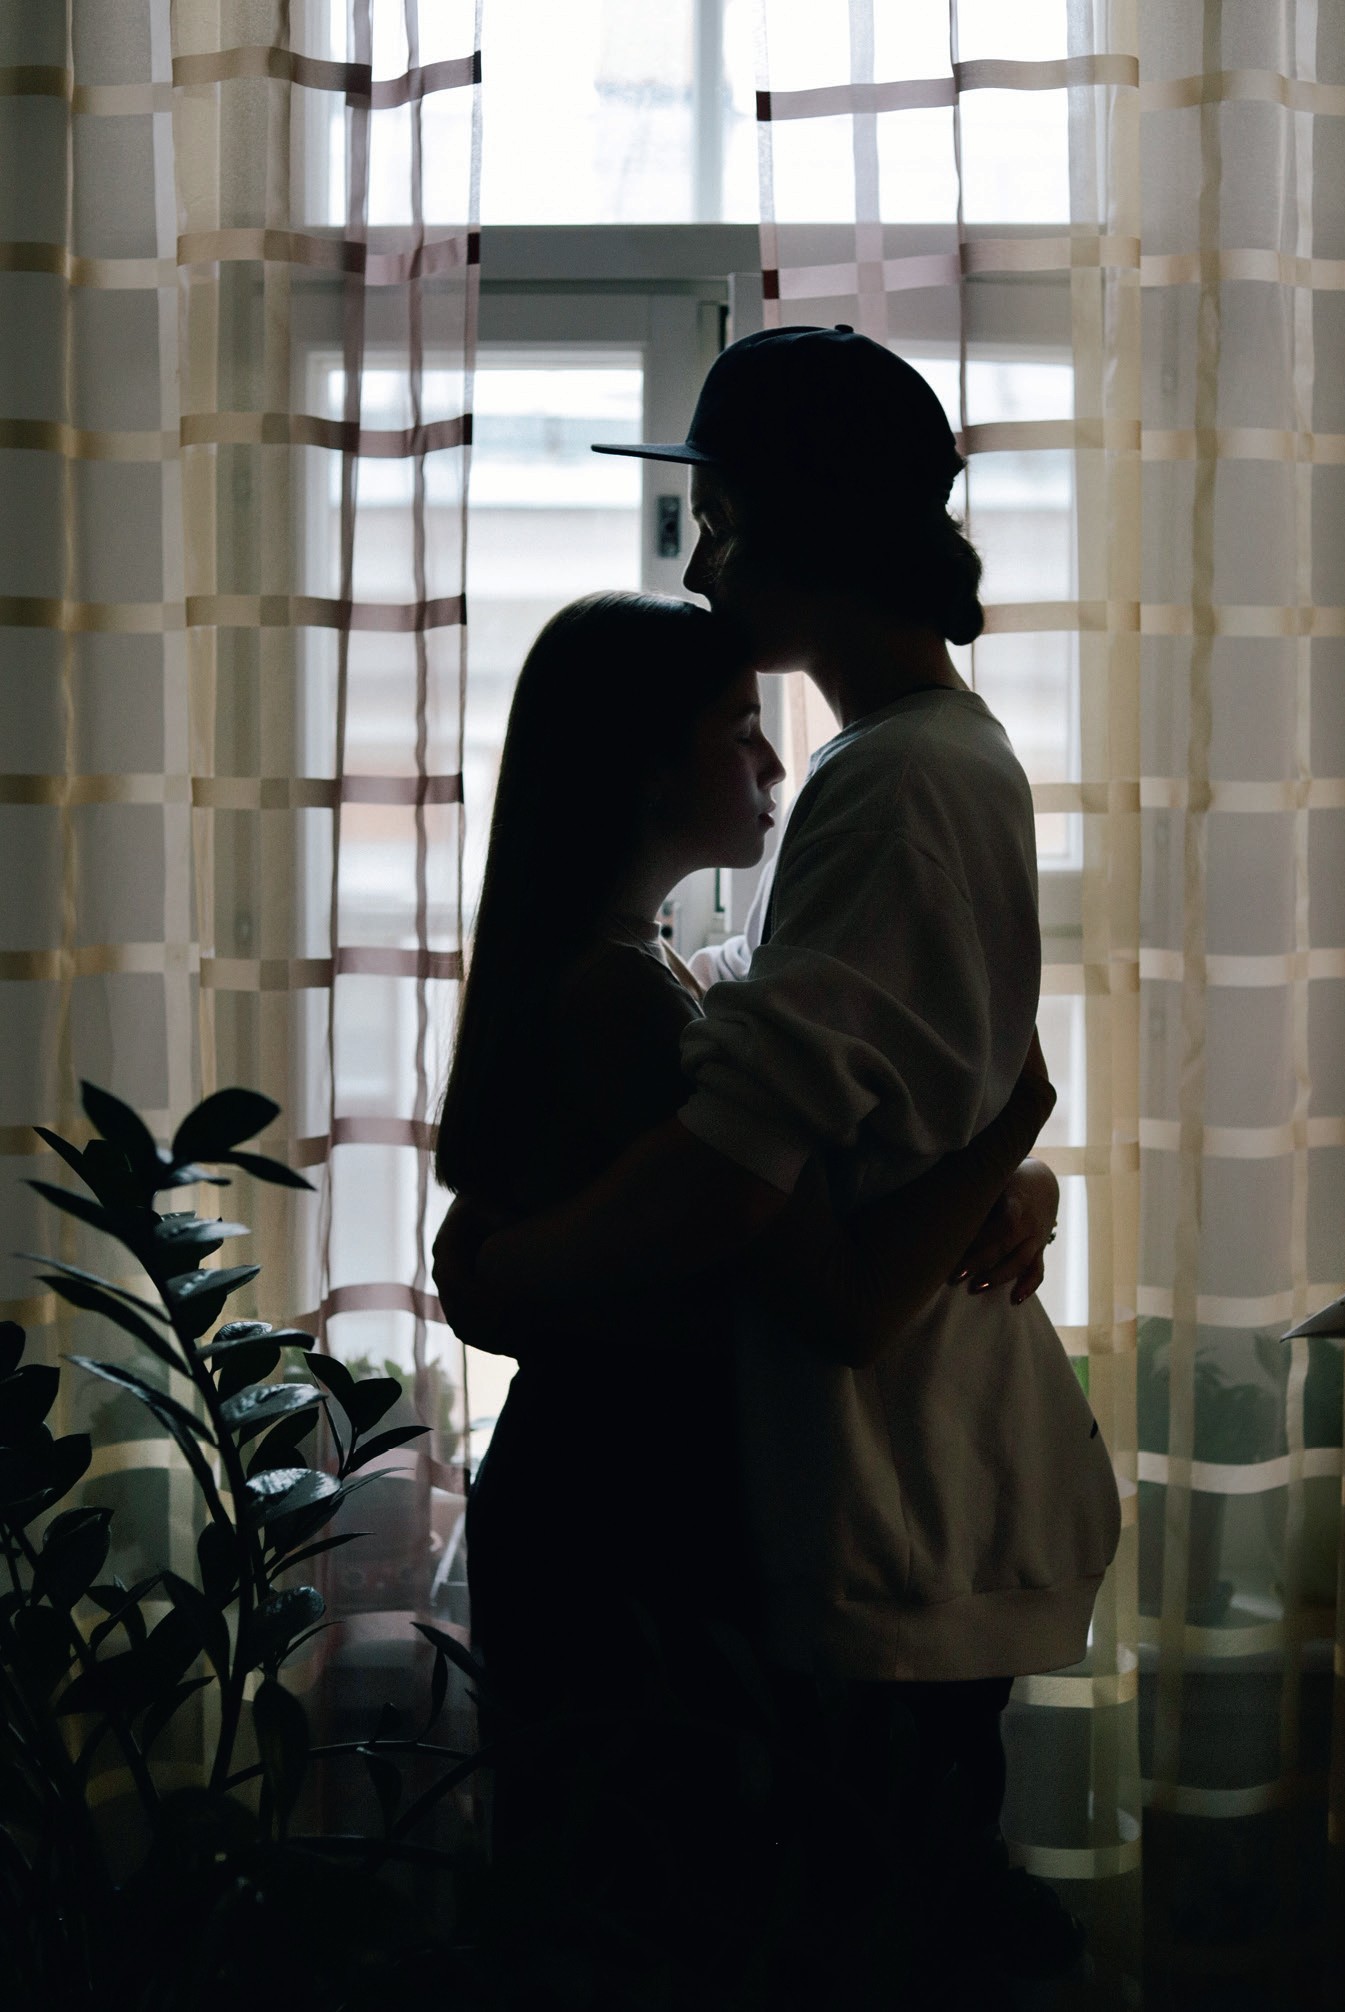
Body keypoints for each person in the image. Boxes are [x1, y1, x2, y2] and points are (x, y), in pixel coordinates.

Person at [435, 330, 1121, 2002]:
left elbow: (757, 1183)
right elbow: (835, 1102)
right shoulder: (913, 765)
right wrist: (1002, 1141)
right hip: (817, 1504)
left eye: (719, 522)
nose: (699, 563)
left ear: (787, 526)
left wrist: (497, 1275)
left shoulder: (890, 778)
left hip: (874, 1499)